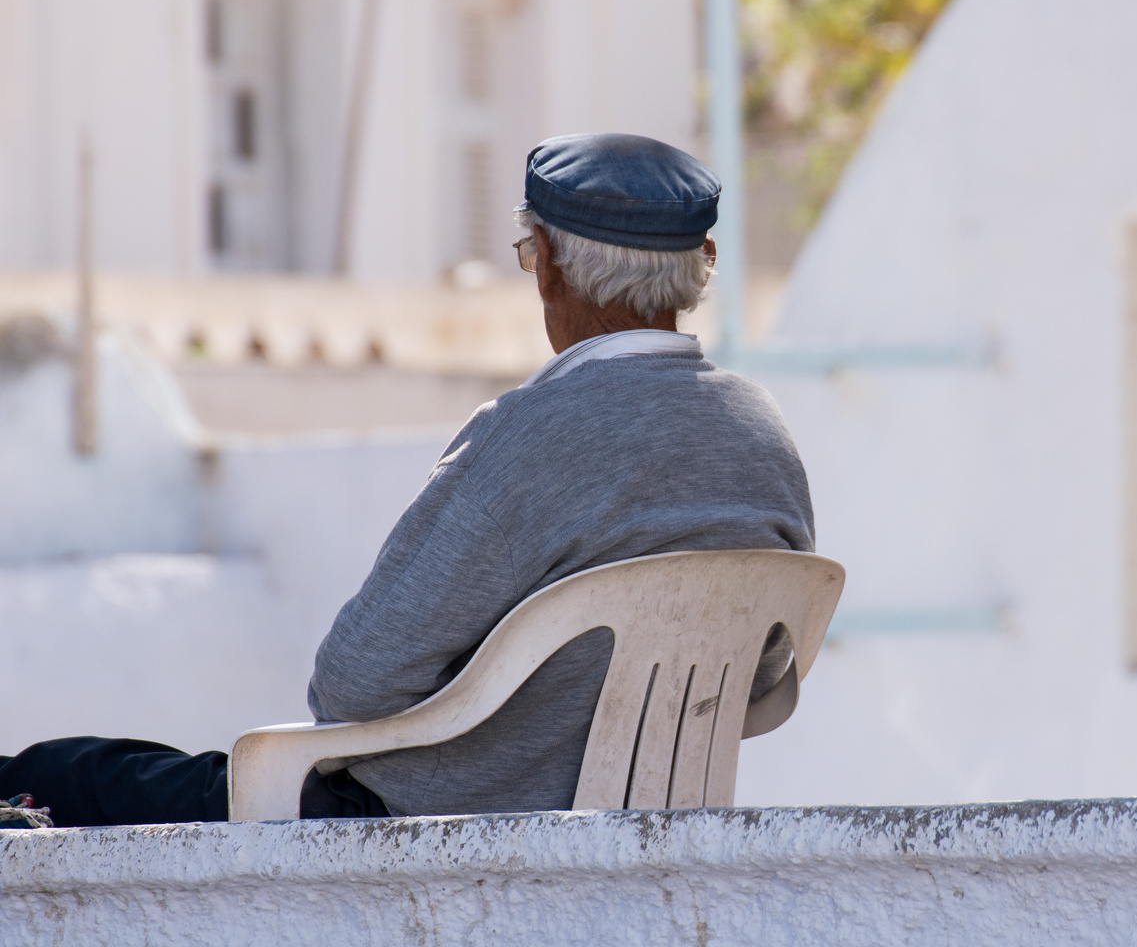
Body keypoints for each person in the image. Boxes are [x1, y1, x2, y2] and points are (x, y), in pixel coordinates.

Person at [0, 133, 815, 825]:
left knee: (61, 780)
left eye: (532, 254)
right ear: (698, 268)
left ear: (551, 273)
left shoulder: (527, 435)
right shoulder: (761, 433)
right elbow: (766, 674)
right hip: (650, 825)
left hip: (427, 823)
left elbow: (355, 683)